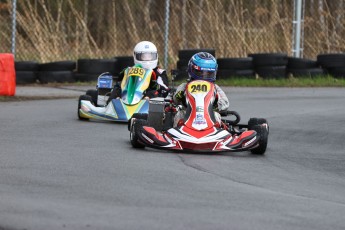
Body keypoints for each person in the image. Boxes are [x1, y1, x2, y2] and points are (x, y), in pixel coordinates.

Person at [173, 52, 229, 127]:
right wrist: (179, 97)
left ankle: (215, 131)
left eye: (208, 73)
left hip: (208, 114)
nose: (204, 76)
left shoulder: (215, 88)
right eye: (200, 73)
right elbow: (175, 100)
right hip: (188, 114)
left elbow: (225, 102)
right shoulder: (184, 86)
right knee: (179, 114)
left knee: (216, 115)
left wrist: (215, 104)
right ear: (191, 69)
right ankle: (177, 132)